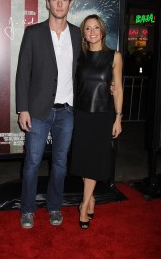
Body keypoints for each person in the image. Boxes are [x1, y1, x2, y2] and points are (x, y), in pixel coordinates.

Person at [16, 0, 81, 229]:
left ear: (70, 3)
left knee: (61, 163)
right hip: (38, 111)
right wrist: (23, 107)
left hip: (68, 112)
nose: (60, 3)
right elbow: (23, 73)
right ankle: (27, 209)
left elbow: (84, 70)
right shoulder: (33, 33)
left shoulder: (77, 34)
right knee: (32, 163)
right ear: (47, 3)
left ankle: (55, 206)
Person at [71, 14, 123, 229]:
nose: (92, 32)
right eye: (88, 28)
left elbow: (118, 88)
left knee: (93, 160)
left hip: (103, 114)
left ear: (102, 30)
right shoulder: (79, 56)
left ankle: (84, 205)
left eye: (96, 28)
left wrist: (118, 117)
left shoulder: (114, 56)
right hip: (81, 114)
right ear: (83, 33)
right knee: (83, 160)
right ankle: (90, 198)